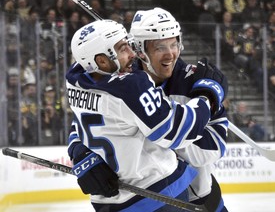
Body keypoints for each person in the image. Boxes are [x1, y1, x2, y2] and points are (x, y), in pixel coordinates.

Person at [66, 19, 226, 211]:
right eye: (123, 48)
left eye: (173, 44)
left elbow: (86, 118)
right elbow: (179, 132)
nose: (132, 54)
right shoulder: (132, 88)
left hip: (108, 202)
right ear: (101, 60)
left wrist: (78, 150)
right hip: (159, 193)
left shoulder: (77, 79)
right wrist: (208, 95)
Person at [130, 7, 229, 211]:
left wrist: (158, 134)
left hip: (200, 198)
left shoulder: (196, 82)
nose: (170, 54)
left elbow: (214, 147)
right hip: (149, 201)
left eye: (173, 44)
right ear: (140, 50)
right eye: (159, 47)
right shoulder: (123, 85)